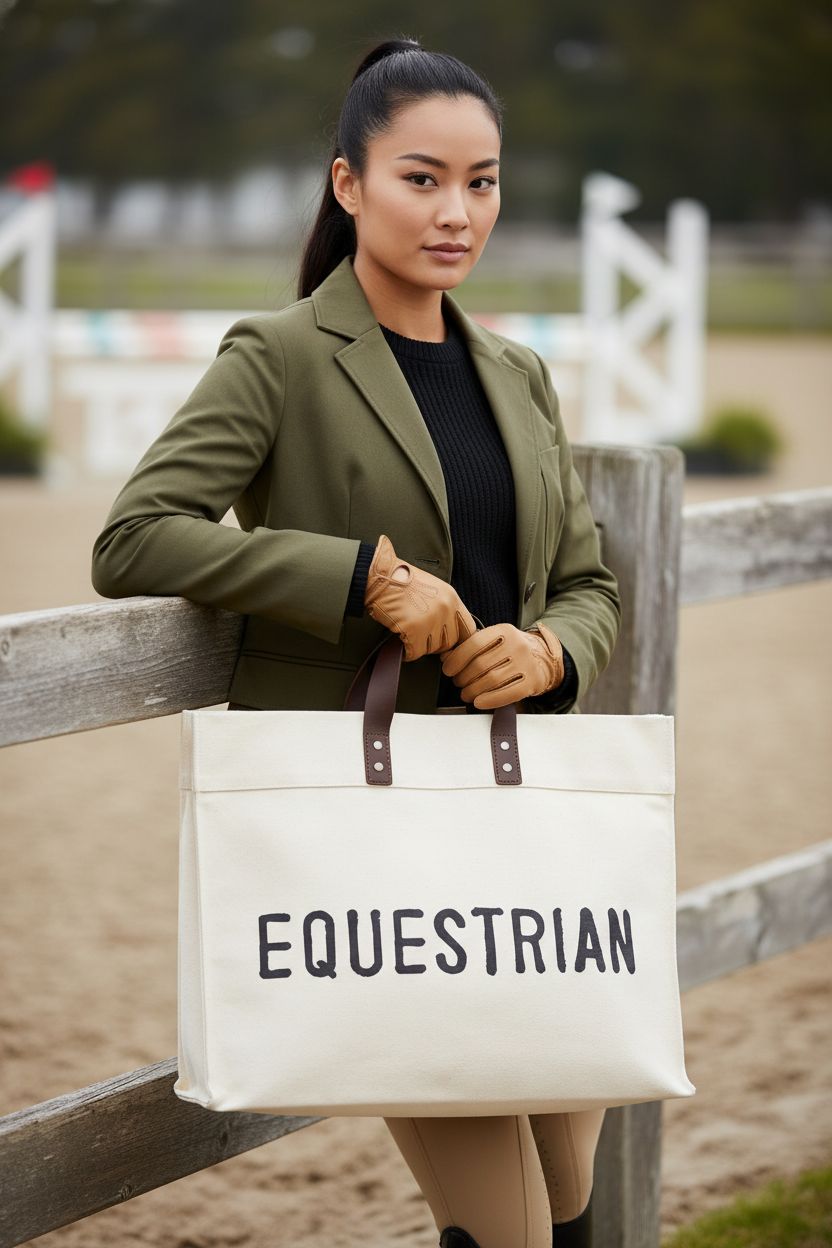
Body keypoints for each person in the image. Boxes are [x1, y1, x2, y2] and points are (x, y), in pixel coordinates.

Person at [90, 34, 621, 1248]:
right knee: (510, 1219)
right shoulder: (277, 358)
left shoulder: (517, 373)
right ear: (348, 184)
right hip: (370, 827)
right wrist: (356, 578)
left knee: (571, 1174)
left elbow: (588, 582)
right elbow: (134, 538)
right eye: (420, 177)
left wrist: (550, 652)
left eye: (481, 181)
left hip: (518, 815)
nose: (457, 211)